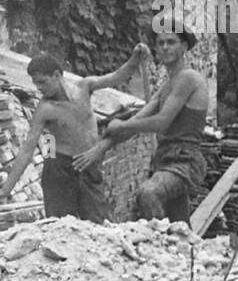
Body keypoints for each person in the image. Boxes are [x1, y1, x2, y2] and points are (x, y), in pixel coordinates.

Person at [73, 16, 210, 222]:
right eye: (160, 43)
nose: (164, 47)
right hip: (165, 160)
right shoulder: (166, 87)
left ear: (183, 47)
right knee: (179, 226)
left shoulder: (188, 78)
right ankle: (185, 252)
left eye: (171, 42)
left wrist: (121, 125)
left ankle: (158, 248)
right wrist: (99, 149)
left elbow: (161, 121)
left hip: (185, 162)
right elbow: (136, 122)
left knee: (148, 193)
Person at [0, 46, 149, 221]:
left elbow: (118, 76)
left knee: (99, 223)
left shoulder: (85, 87)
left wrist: (135, 58)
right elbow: (27, 150)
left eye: (42, 82)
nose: (39, 88)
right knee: (59, 227)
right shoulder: (45, 109)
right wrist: (5, 191)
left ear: (56, 75)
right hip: (60, 170)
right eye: (35, 83)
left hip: (88, 165)